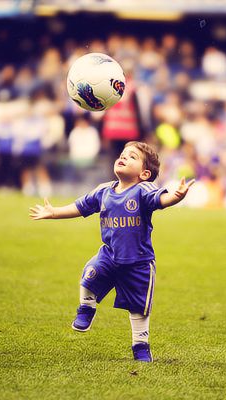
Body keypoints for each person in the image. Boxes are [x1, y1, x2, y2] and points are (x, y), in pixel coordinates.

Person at [30, 141, 195, 362]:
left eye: (132, 157)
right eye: (123, 154)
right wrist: (54, 212)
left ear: (144, 174)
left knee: (139, 308)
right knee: (89, 274)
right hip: (109, 255)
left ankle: (140, 345)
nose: (124, 157)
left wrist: (176, 197)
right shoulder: (104, 190)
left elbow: (160, 200)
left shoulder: (143, 190)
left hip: (139, 262)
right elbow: (81, 207)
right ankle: (86, 309)